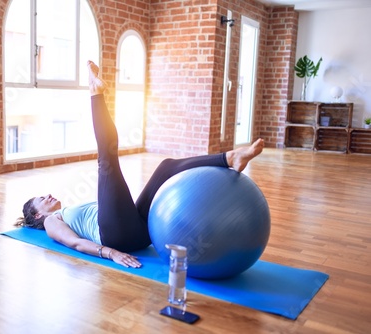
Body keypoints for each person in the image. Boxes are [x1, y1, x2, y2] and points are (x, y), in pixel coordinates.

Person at [15, 60, 264, 268]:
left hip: (140, 232)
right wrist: (110, 253)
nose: (47, 195)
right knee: (106, 160)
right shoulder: (51, 222)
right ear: (37, 214)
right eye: (41, 199)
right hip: (115, 237)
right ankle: (95, 92)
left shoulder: (67, 212)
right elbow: (75, 244)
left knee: (165, 167)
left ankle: (229, 158)